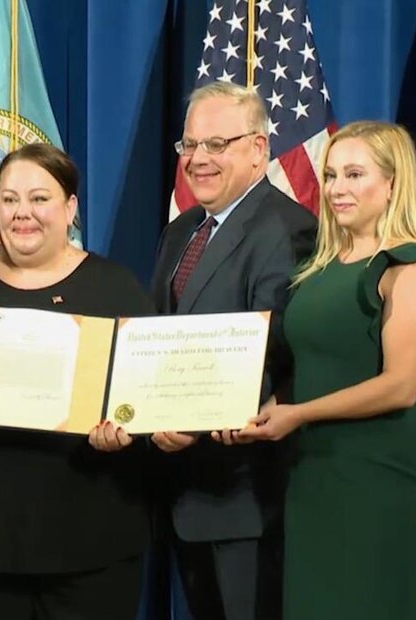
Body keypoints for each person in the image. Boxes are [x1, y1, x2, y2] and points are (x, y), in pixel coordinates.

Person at [235, 121, 416, 619]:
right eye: (331, 174)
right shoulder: (319, 270)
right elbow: (317, 363)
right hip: (314, 480)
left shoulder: (411, 267)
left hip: (380, 483)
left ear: (391, 185)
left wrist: (299, 415)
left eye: (355, 174)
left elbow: (401, 386)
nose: (338, 188)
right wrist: (273, 407)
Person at [0, 142, 154, 620]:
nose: (22, 213)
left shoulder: (116, 288)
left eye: (39, 198)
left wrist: (127, 434)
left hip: (92, 544)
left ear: (70, 208)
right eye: (9, 200)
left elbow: (147, 405)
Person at [149, 81, 317, 620]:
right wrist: (148, 414)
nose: (199, 160)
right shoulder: (180, 233)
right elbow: (157, 337)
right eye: (189, 146)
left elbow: (276, 346)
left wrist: (193, 419)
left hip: (247, 491)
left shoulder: (289, 229)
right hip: (183, 486)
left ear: (258, 149)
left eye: (216, 145)